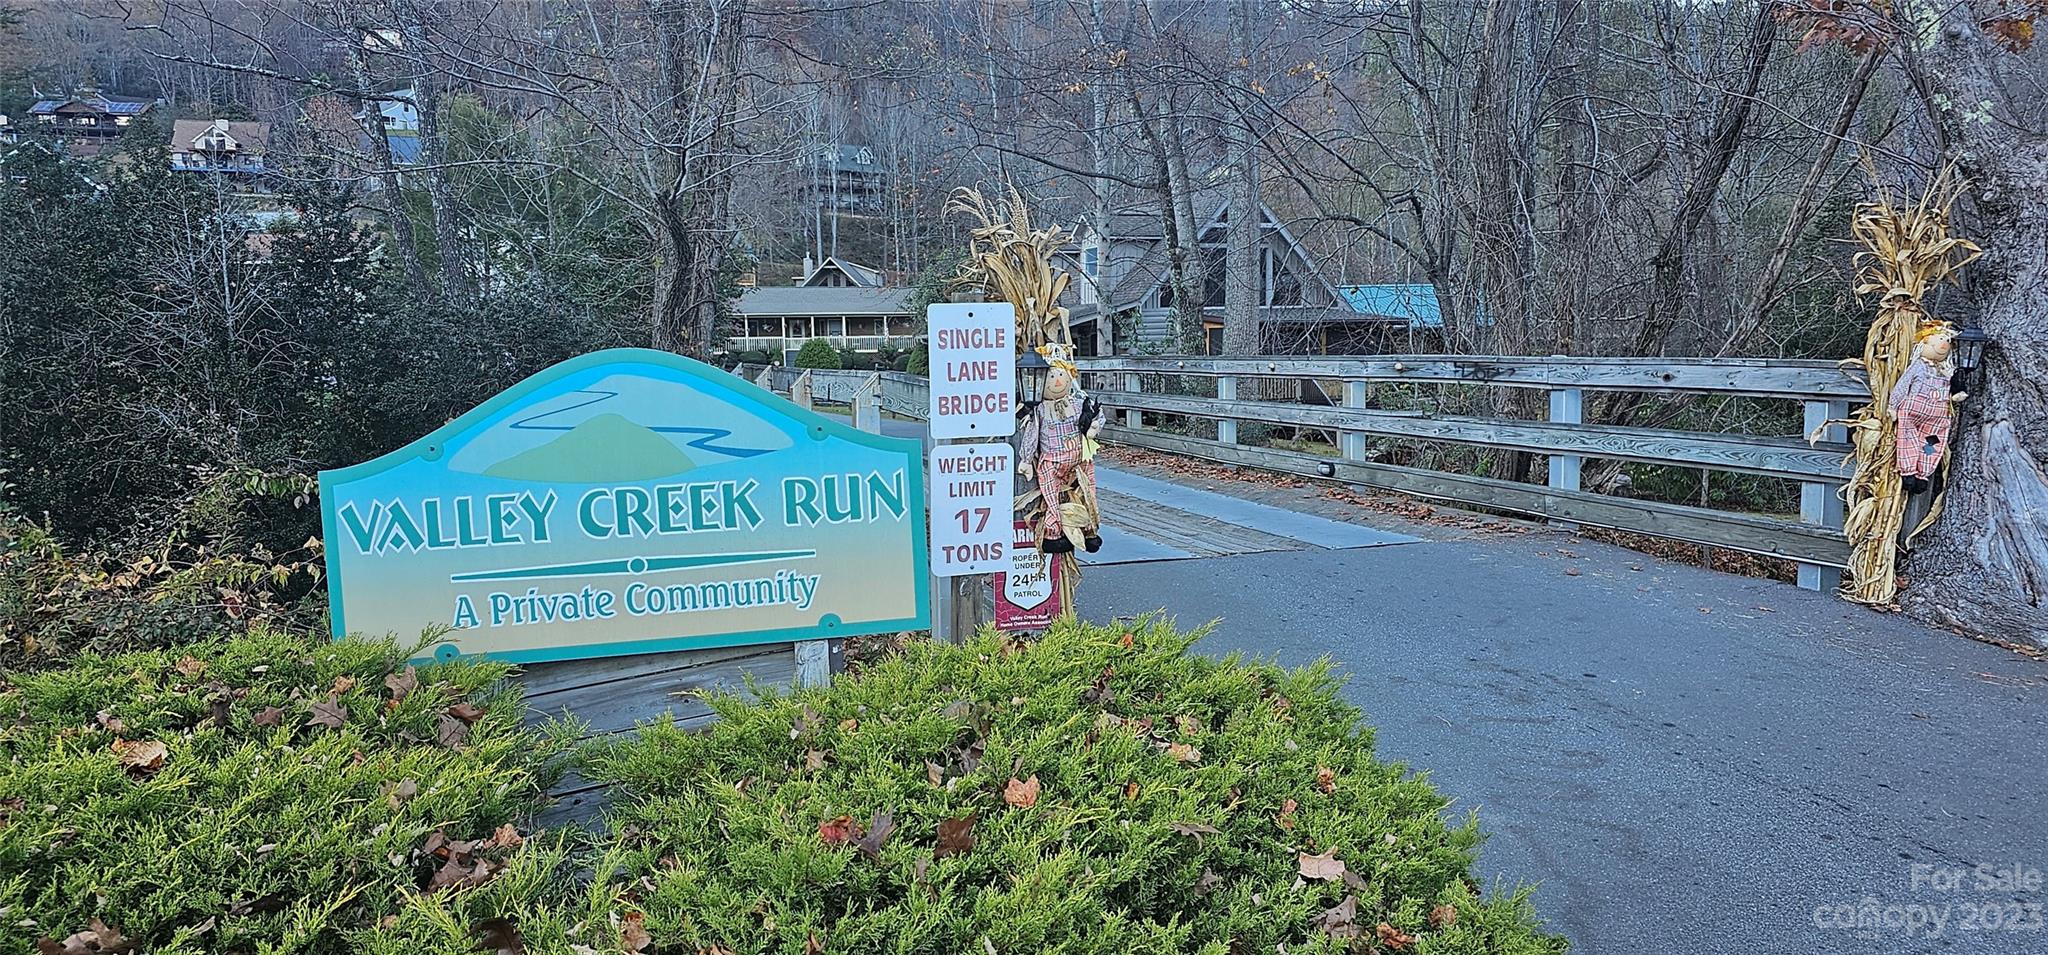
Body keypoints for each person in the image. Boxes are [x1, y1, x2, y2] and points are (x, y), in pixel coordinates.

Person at [1889, 322, 1963, 495]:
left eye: (1946, 341)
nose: (1943, 344)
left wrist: (1956, 394)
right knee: (1908, 438)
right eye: (1939, 340)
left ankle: (1923, 473)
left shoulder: (1947, 371)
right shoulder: (1918, 366)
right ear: (1925, 344)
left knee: (1931, 442)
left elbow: (1954, 388)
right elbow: (1903, 385)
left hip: (1937, 417)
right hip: (1913, 411)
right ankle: (1908, 472)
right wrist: (1893, 405)